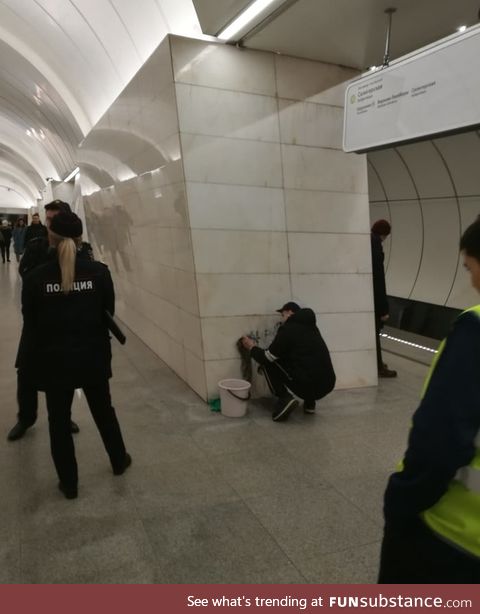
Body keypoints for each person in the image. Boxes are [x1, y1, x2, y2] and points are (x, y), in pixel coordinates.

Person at [378, 217, 480, 583]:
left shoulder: (474, 330)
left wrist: (400, 498)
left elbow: (441, 440)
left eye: (471, 268)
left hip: (454, 539)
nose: (471, 281)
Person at [19, 212, 131, 499]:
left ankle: (69, 484)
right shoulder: (99, 273)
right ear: (81, 239)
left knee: (58, 421)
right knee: (104, 411)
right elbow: (108, 312)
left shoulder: (34, 279)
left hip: (54, 361)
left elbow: (30, 323)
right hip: (92, 356)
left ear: (50, 237)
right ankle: (119, 460)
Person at [7, 200, 88, 441]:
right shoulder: (36, 247)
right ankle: (26, 418)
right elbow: (25, 275)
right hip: (37, 323)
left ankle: (65, 415)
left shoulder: (78, 249)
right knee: (26, 371)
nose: (49, 225)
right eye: (47, 219)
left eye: (53, 220)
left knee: (64, 374)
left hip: (64, 323)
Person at [241, 302, 336, 422]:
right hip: (328, 384)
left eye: (283, 314)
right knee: (308, 363)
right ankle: (310, 404)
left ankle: (284, 398)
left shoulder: (288, 329)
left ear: (290, 312)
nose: (282, 319)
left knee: (267, 363)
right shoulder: (312, 328)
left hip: (307, 385)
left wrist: (252, 347)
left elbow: (267, 357)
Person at [371, 219, 397, 378]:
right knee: (374, 334)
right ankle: (378, 367)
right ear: (384, 234)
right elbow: (379, 279)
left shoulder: (367, 240)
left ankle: (377, 363)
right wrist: (384, 309)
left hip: (367, 296)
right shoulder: (375, 245)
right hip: (375, 299)